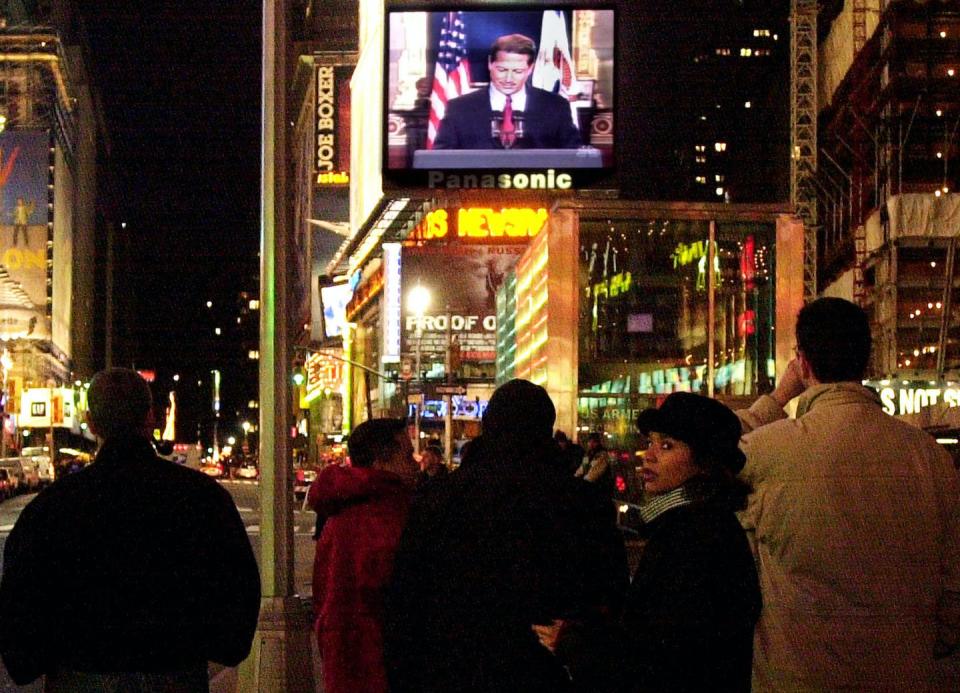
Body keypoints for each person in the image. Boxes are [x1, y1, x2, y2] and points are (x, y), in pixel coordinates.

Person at [736, 297, 960, 691]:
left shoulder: (767, 451)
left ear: (803, 364)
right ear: (867, 362)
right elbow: (952, 582)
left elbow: (707, 449)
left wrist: (777, 398)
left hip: (798, 674)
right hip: (902, 673)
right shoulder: (930, 458)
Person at [0, 368, 260, 691]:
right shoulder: (203, 498)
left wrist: (37, 659)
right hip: (175, 672)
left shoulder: (51, 507)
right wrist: (211, 646)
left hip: (80, 674)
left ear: (91, 423)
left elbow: (18, 603)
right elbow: (238, 590)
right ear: (150, 417)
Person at [384, 379, 628, 693]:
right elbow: (610, 598)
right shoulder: (582, 503)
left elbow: (406, 600)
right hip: (547, 671)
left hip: (454, 671)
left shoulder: (440, 498)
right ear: (546, 429)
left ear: (489, 425)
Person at [621, 392, 761, 692]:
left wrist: (577, 646)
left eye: (667, 446)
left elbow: (663, 654)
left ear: (704, 463)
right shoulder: (692, 522)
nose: (650, 455)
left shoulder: (695, 536)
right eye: (650, 443)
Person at [307, 418, 417, 693]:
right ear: (381, 461)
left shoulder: (338, 515)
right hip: (383, 666)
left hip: (342, 661)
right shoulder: (390, 516)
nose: (415, 463)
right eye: (407, 455)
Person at [433, 34, 583, 150]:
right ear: (490, 64)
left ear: (530, 69)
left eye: (518, 71)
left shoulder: (556, 106)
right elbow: (442, 159)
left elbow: (572, 156)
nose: (509, 78)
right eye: (502, 70)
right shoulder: (459, 107)